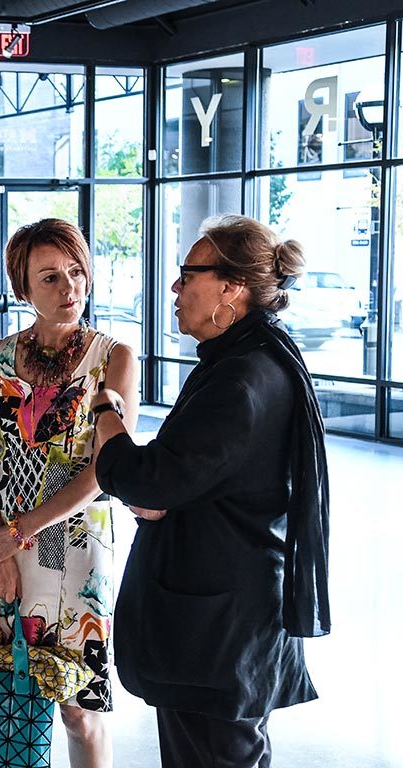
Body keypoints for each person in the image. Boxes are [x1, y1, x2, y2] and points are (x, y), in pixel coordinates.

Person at [91, 214, 331, 768]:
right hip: (223, 619)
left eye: (187, 274)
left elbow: (147, 479)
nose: (174, 288)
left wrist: (106, 414)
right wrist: (157, 487)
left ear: (231, 288)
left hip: (218, 630)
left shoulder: (243, 378)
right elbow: (173, 481)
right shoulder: (251, 360)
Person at [0, 218, 138, 768]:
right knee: (0, 685)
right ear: (23, 288)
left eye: (77, 273)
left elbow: (106, 468)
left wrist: (17, 534)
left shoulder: (114, 359)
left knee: (80, 707)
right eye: (50, 277)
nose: (68, 289)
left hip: (76, 545)